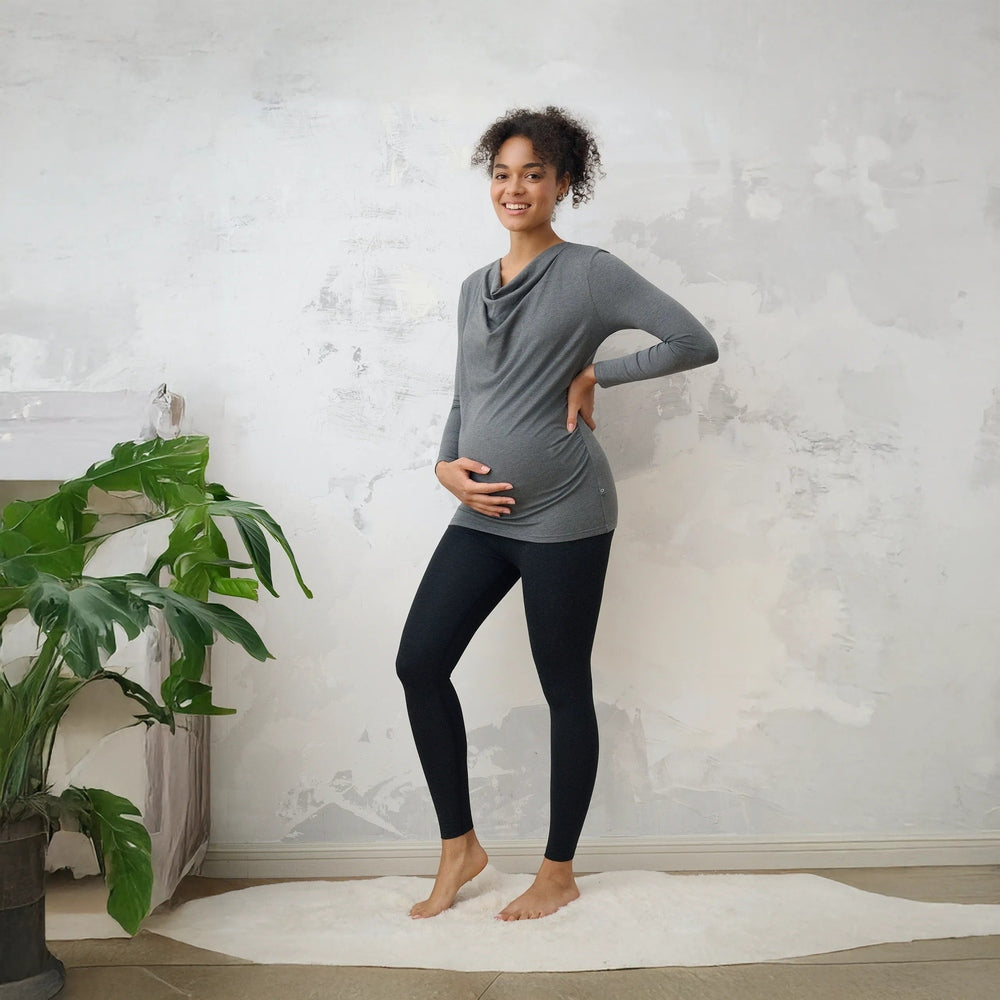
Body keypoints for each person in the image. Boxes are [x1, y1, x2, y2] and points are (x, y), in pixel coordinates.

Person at [396, 106, 719, 921]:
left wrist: (595, 376)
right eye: (502, 174)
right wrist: (445, 465)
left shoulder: (589, 273)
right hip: (482, 515)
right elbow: (468, 393)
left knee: (562, 686)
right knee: (419, 661)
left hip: (566, 514)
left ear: (562, 184)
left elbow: (692, 341)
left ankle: (558, 869)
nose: (514, 188)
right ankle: (459, 846)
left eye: (532, 174)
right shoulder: (475, 285)